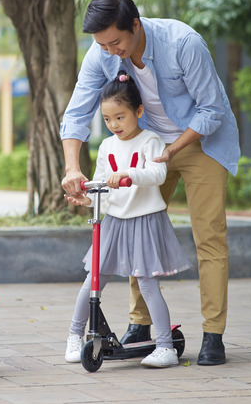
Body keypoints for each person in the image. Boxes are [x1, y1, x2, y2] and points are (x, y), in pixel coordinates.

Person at [60, 0, 240, 366]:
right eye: (102, 44)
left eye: (116, 42)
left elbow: (211, 110)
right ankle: (140, 326)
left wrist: (173, 150)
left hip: (200, 141)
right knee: (132, 222)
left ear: (136, 26)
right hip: (145, 145)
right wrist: (72, 167)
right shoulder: (102, 52)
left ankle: (213, 334)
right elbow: (77, 113)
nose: (110, 51)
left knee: (209, 235)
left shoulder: (183, 43)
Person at [64, 71, 190, 368]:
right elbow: (100, 185)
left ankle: (165, 347)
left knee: (147, 284)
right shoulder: (107, 147)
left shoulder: (151, 141)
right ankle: (74, 335)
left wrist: (130, 175)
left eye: (120, 117)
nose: (113, 125)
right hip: (114, 222)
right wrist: (88, 197)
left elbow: (158, 175)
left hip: (145, 221)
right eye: (107, 119)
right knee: (93, 280)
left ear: (139, 111)